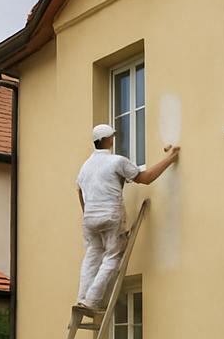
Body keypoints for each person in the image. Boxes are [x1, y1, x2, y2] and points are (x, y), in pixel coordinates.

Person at [75, 123, 179, 314]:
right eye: (112, 137)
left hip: (90, 219)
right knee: (112, 257)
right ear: (108, 140)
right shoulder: (116, 161)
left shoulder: (85, 166)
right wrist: (170, 159)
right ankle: (91, 301)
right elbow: (145, 178)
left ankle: (81, 298)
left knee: (92, 256)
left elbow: (79, 192)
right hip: (110, 215)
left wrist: (88, 213)